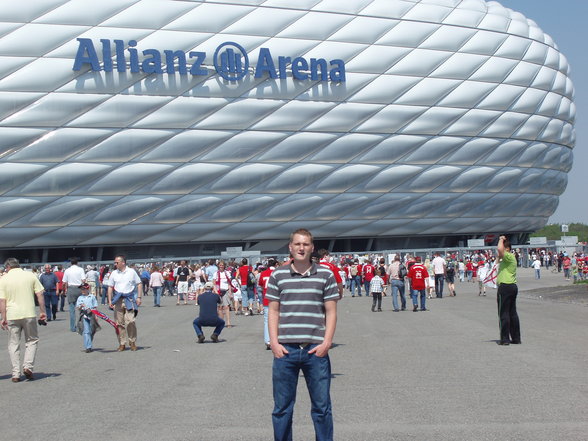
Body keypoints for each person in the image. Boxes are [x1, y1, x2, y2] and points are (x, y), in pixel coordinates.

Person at [267, 228, 339, 441]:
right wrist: (273, 343)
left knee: (322, 408)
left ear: (312, 248)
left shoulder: (325, 274)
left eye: (305, 244)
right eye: (297, 244)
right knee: (282, 409)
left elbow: (331, 311)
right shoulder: (278, 274)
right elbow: (273, 310)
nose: (301, 248)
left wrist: (327, 342)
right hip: (285, 350)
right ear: (290, 247)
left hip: (314, 350)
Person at [0, 258, 46, 382]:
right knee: (32, 340)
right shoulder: (30, 275)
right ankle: (28, 366)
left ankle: (15, 373)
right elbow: (40, 294)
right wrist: (42, 311)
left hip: (12, 315)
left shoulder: (3, 279)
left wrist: (3, 317)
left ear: (8, 267)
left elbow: (2, 300)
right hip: (29, 313)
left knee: (13, 343)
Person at [107, 255, 143, 352]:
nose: (115, 264)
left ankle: (132, 341)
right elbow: (110, 287)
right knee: (119, 323)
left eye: (117, 262)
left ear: (123, 262)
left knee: (131, 321)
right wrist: (110, 300)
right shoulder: (114, 273)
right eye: (114, 262)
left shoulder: (131, 272)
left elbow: (139, 283)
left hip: (129, 299)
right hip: (118, 299)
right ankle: (122, 343)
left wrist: (139, 297)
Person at [496, 236, 521, 346]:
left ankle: (505, 338)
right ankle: (516, 338)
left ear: (507, 249)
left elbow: (499, 250)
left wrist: (501, 239)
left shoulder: (509, 256)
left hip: (505, 286)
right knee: (512, 313)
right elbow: (498, 257)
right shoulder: (510, 258)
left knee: (503, 313)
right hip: (512, 286)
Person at [62, 258, 87, 333]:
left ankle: (73, 327)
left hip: (71, 288)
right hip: (79, 288)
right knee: (82, 307)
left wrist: (64, 290)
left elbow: (64, 282)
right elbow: (83, 280)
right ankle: (82, 325)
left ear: (70, 263)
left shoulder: (67, 270)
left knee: (72, 309)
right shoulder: (80, 269)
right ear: (77, 263)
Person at [76, 283, 99, 353]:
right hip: (84, 315)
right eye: (81, 289)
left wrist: (96, 315)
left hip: (91, 314)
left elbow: (95, 307)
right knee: (86, 331)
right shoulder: (80, 298)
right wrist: (80, 306)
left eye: (84, 289)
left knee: (92, 330)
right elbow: (78, 308)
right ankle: (88, 347)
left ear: (87, 289)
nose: (82, 290)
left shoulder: (92, 297)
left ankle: (89, 342)